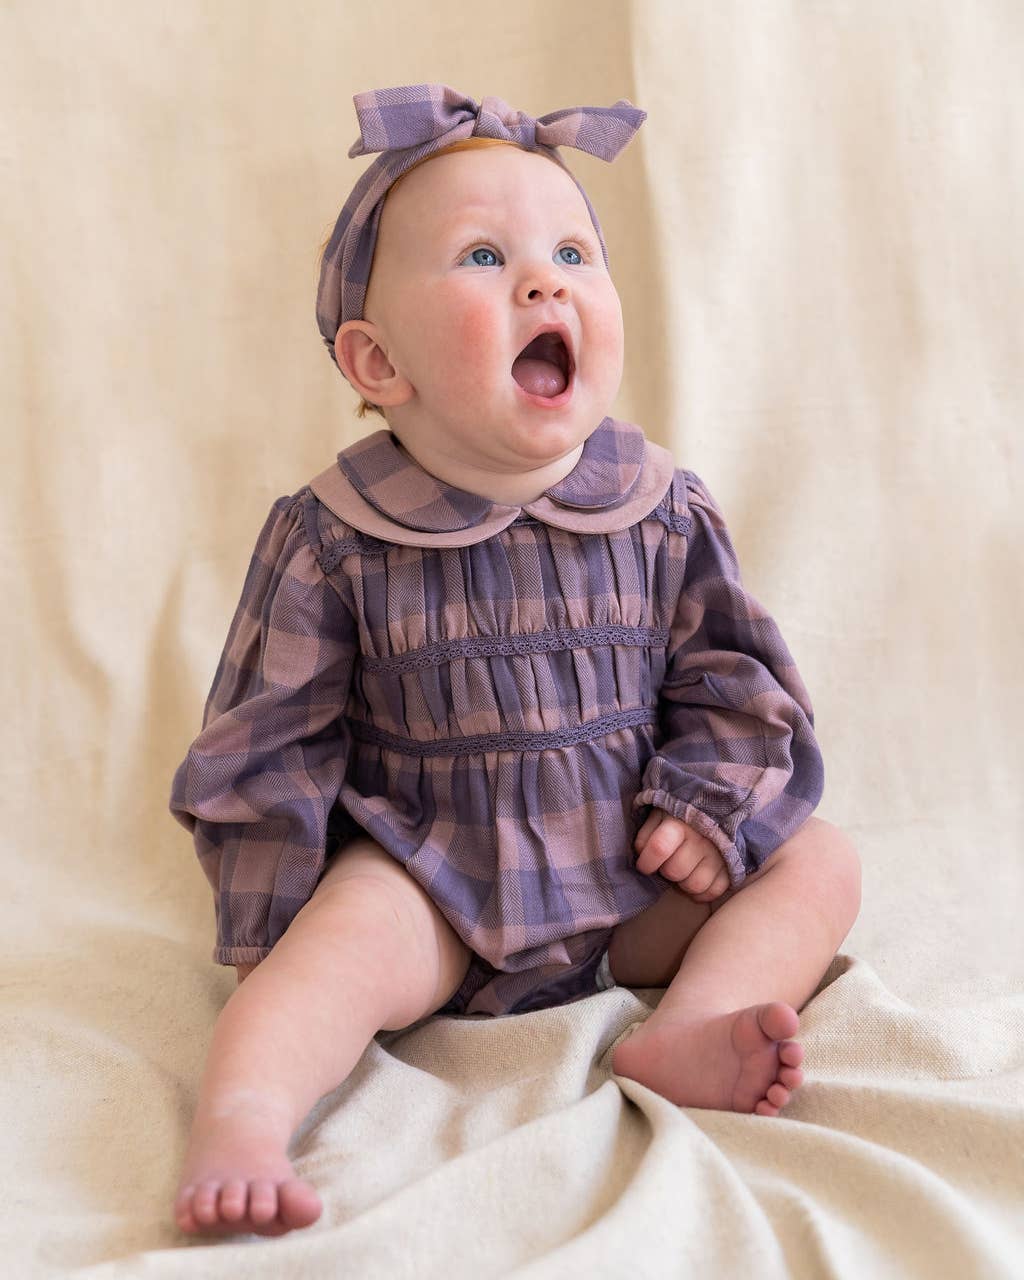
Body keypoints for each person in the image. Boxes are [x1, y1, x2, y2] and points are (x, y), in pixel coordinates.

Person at [168, 84, 861, 1238]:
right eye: (484, 256)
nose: (544, 282)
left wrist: (705, 809)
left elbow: (735, 681)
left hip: (633, 878)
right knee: (327, 960)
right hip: (432, 881)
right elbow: (265, 739)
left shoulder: (658, 508)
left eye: (572, 252)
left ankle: (692, 1021)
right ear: (377, 359)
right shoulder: (334, 534)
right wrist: (274, 926)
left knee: (820, 861)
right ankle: (242, 1116)